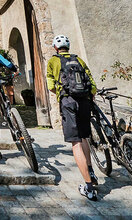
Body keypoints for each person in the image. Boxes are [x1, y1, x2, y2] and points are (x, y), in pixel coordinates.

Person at [46, 34, 99, 201]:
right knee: (84, 137)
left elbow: (51, 86)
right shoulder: (79, 60)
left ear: (55, 47)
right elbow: (92, 84)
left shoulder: (53, 61)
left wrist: (62, 95)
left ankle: (89, 187)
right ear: (68, 47)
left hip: (68, 101)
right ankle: (90, 170)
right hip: (84, 101)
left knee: (75, 141)